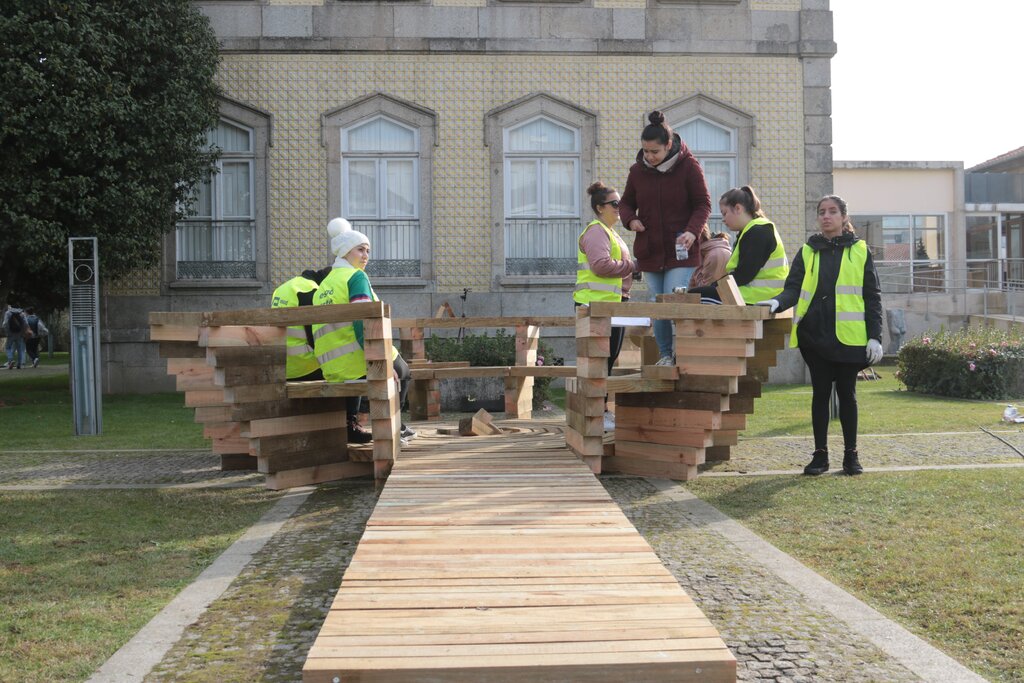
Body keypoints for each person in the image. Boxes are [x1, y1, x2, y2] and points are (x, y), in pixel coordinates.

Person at [761, 195, 883, 476]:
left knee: (847, 395)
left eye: (832, 212)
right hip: (814, 337)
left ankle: (851, 456)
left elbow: (872, 296)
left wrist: (875, 336)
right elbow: (793, 288)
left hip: (849, 338)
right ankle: (820, 456)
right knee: (820, 395)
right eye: (821, 212)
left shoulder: (861, 250)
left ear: (843, 217)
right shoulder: (807, 251)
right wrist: (777, 302)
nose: (826, 216)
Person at [619, 110, 711, 366]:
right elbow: (625, 203)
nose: (649, 157)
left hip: (681, 249)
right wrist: (630, 220)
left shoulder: (689, 167)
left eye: (654, 152)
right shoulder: (638, 171)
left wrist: (693, 231)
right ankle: (666, 355)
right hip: (650, 251)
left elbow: (703, 204)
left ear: (669, 146)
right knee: (657, 303)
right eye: (645, 151)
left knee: (673, 299)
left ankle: (683, 354)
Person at [313, 218, 416, 445]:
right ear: (345, 251)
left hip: (331, 365)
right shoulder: (356, 277)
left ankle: (351, 422)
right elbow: (364, 322)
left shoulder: (326, 283)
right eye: (360, 249)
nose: (366, 256)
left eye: (368, 251)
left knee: (370, 366)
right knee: (403, 370)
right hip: (354, 361)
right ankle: (394, 427)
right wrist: (384, 361)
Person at [575, 181, 640, 431]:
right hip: (596, 308)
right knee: (599, 362)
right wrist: (633, 266)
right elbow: (601, 266)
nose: (620, 207)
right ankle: (597, 414)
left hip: (610, 307)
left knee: (607, 360)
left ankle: (599, 413)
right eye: (615, 204)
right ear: (600, 208)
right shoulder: (596, 231)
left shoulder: (610, 232)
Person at [689, 186, 789, 304]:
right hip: (757, 295)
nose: (723, 219)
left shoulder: (758, 232)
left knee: (693, 297)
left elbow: (743, 275)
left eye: (724, 213)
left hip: (754, 297)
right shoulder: (755, 229)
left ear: (738, 208)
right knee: (698, 294)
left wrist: (715, 286)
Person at [271, 268, 331, 382]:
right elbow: (316, 337)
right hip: (305, 367)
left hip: (283, 365)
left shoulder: (282, 288)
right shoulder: (311, 290)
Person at [2, 303, 28, 370]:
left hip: (11, 334)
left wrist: (7, 332)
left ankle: (10, 360)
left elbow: (5, 323)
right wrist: (22, 332)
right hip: (19, 334)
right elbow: (26, 324)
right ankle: (19, 364)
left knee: (8, 347)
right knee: (19, 349)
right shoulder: (22, 313)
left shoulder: (8, 313)